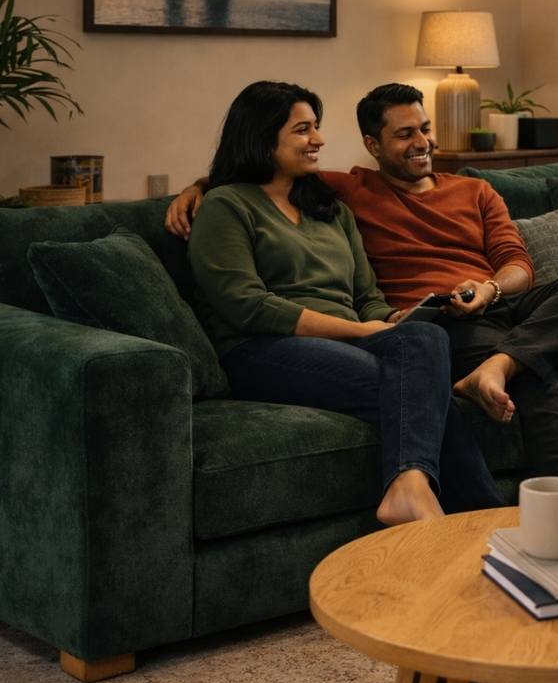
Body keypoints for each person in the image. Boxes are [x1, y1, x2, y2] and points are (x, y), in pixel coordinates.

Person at [168, 83, 558, 502]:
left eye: (425, 129)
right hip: (373, 334)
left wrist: (470, 294)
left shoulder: (340, 206)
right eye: (303, 129)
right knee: (460, 375)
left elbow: (507, 267)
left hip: (490, 305)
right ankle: (550, 507)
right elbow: (245, 293)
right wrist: (198, 187)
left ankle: (499, 367)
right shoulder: (316, 194)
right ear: (373, 145)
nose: (423, 143)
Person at [186, 81, 504, 526]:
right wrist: (365, 330)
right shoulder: (226, 205)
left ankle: (415, 491)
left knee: (425, 337)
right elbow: (247, 306)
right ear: (262, 137)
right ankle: (489, 525)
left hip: (345, 344)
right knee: (424, 395)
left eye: (316, 127)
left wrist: (394, 320)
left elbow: (366, 298)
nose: (317, 140)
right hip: (258, 349)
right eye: (302, 130)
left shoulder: (330, 209)